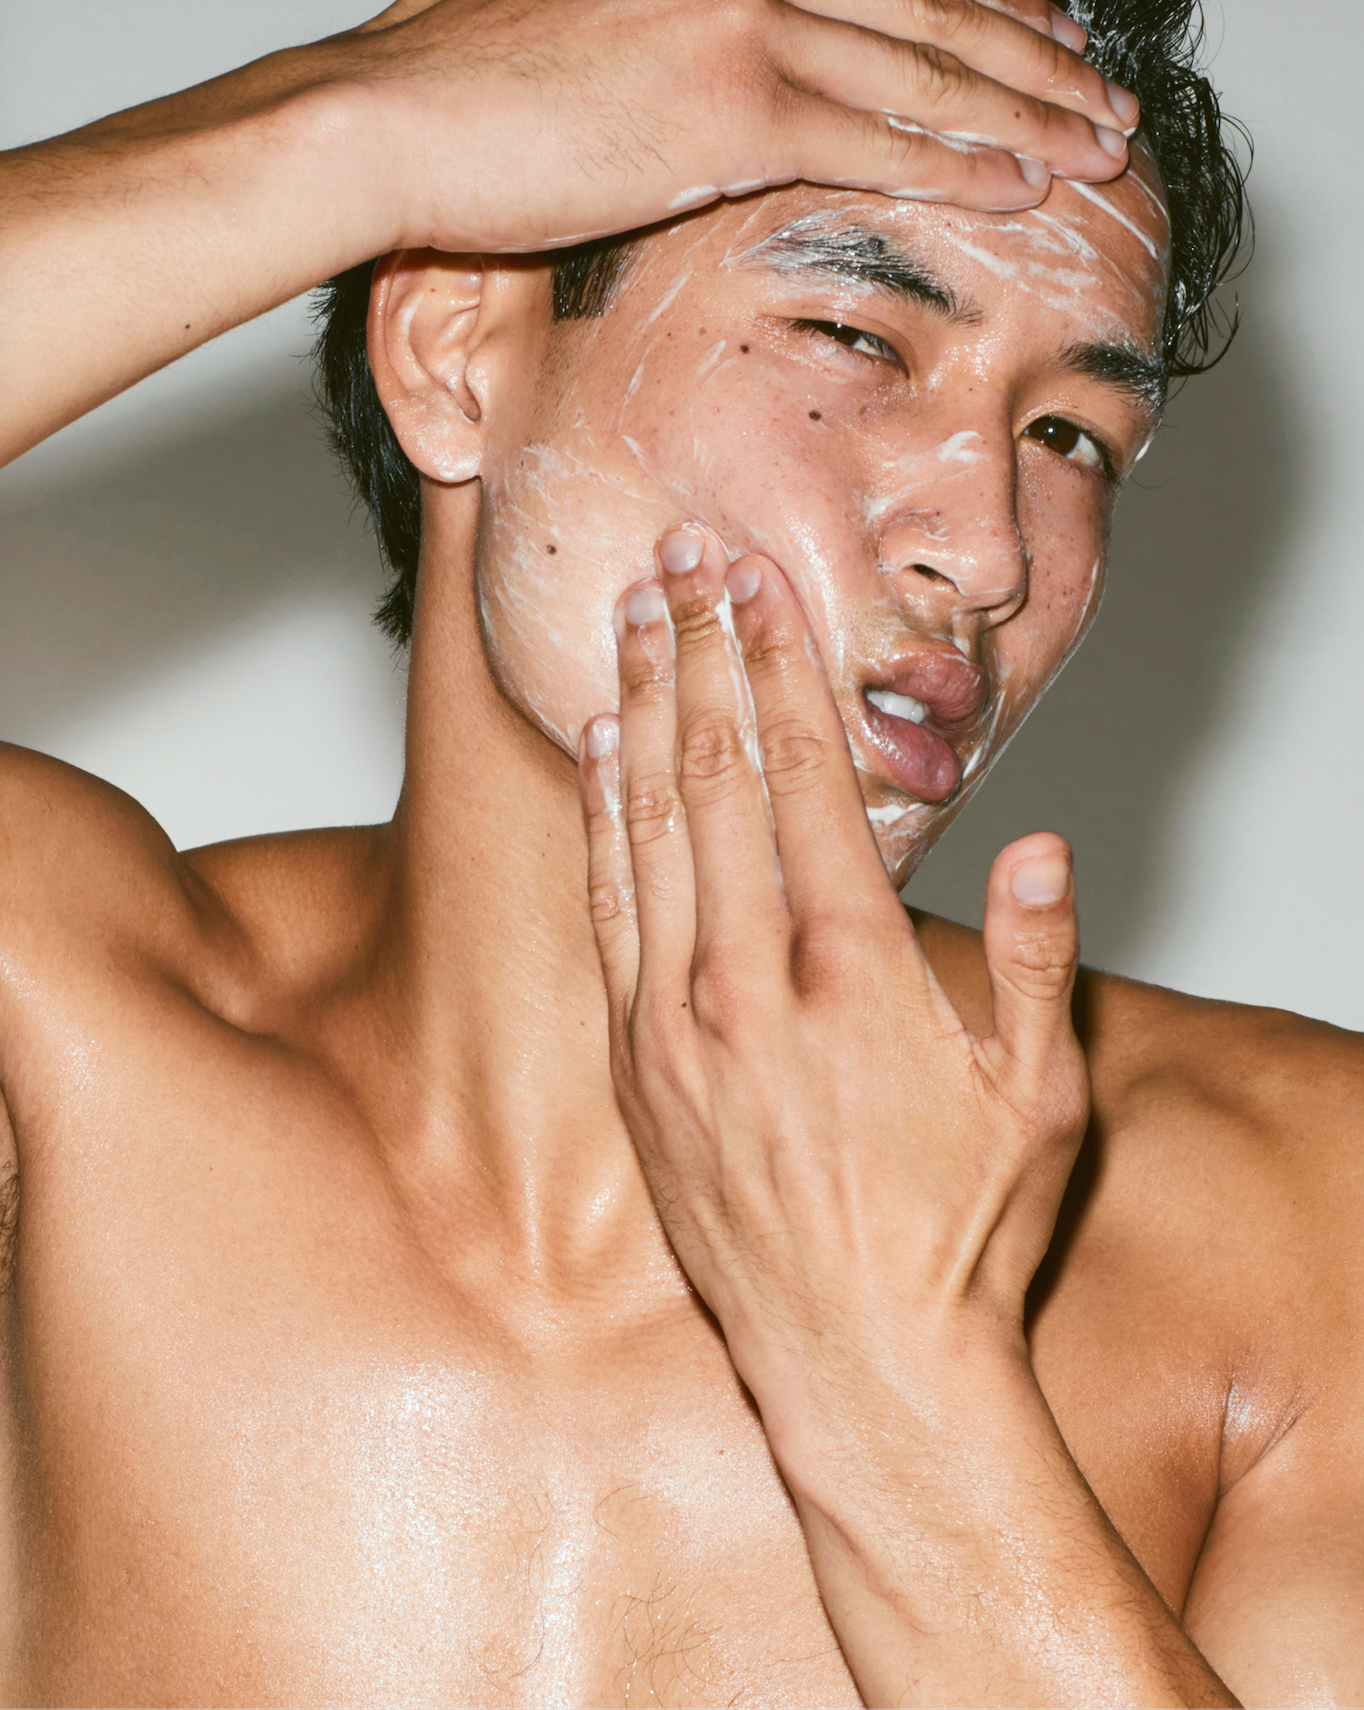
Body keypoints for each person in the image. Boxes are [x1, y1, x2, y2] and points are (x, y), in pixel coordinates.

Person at [0, 0, 1360, 1702]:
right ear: (453, 358)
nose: (989, 547)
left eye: (1068, 434)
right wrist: (355, 131)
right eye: (859, 335)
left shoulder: (1307, 1215)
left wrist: (902, 1388)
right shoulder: (68, 1048)